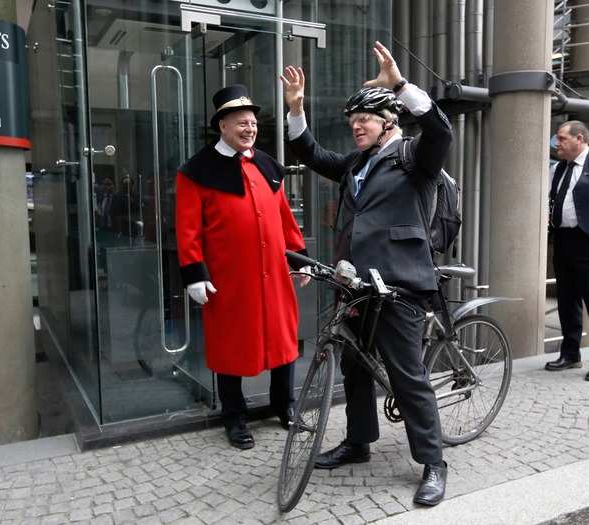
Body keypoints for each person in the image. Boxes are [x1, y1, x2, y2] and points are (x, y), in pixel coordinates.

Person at [280, 41, 453, 505]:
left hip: (400, 285)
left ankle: (433, 463)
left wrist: (399, 84)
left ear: (389, 123)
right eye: (353, 122)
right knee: (354, 367)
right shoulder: (356, 163)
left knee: (407, 375)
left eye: (366, 121)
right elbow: (314, 155)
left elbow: (441, 132)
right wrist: (296, 111)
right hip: (354, 284)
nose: (356, 128)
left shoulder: (413, 157)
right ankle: (359, 442)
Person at [175, 84, 310, 450]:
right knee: (231, 348)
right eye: (241, 123)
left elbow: (286, 220)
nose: (249, 129)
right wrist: (194, 274)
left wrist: (299, 259)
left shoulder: (267, 165)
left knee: (284, 342)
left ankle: (285, 405)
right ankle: (234, 418)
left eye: (252, 122)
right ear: (222, 125)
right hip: (229, 281)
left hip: (275, 276)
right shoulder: (195, 172)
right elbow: (187, 231)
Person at [545, 120, 589, 380]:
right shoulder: (558, 168)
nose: (556, 143)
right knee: (567, 298)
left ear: (579, 139)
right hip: (563, 240)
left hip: (587, 241)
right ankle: (571, 354)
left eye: (561, 138)